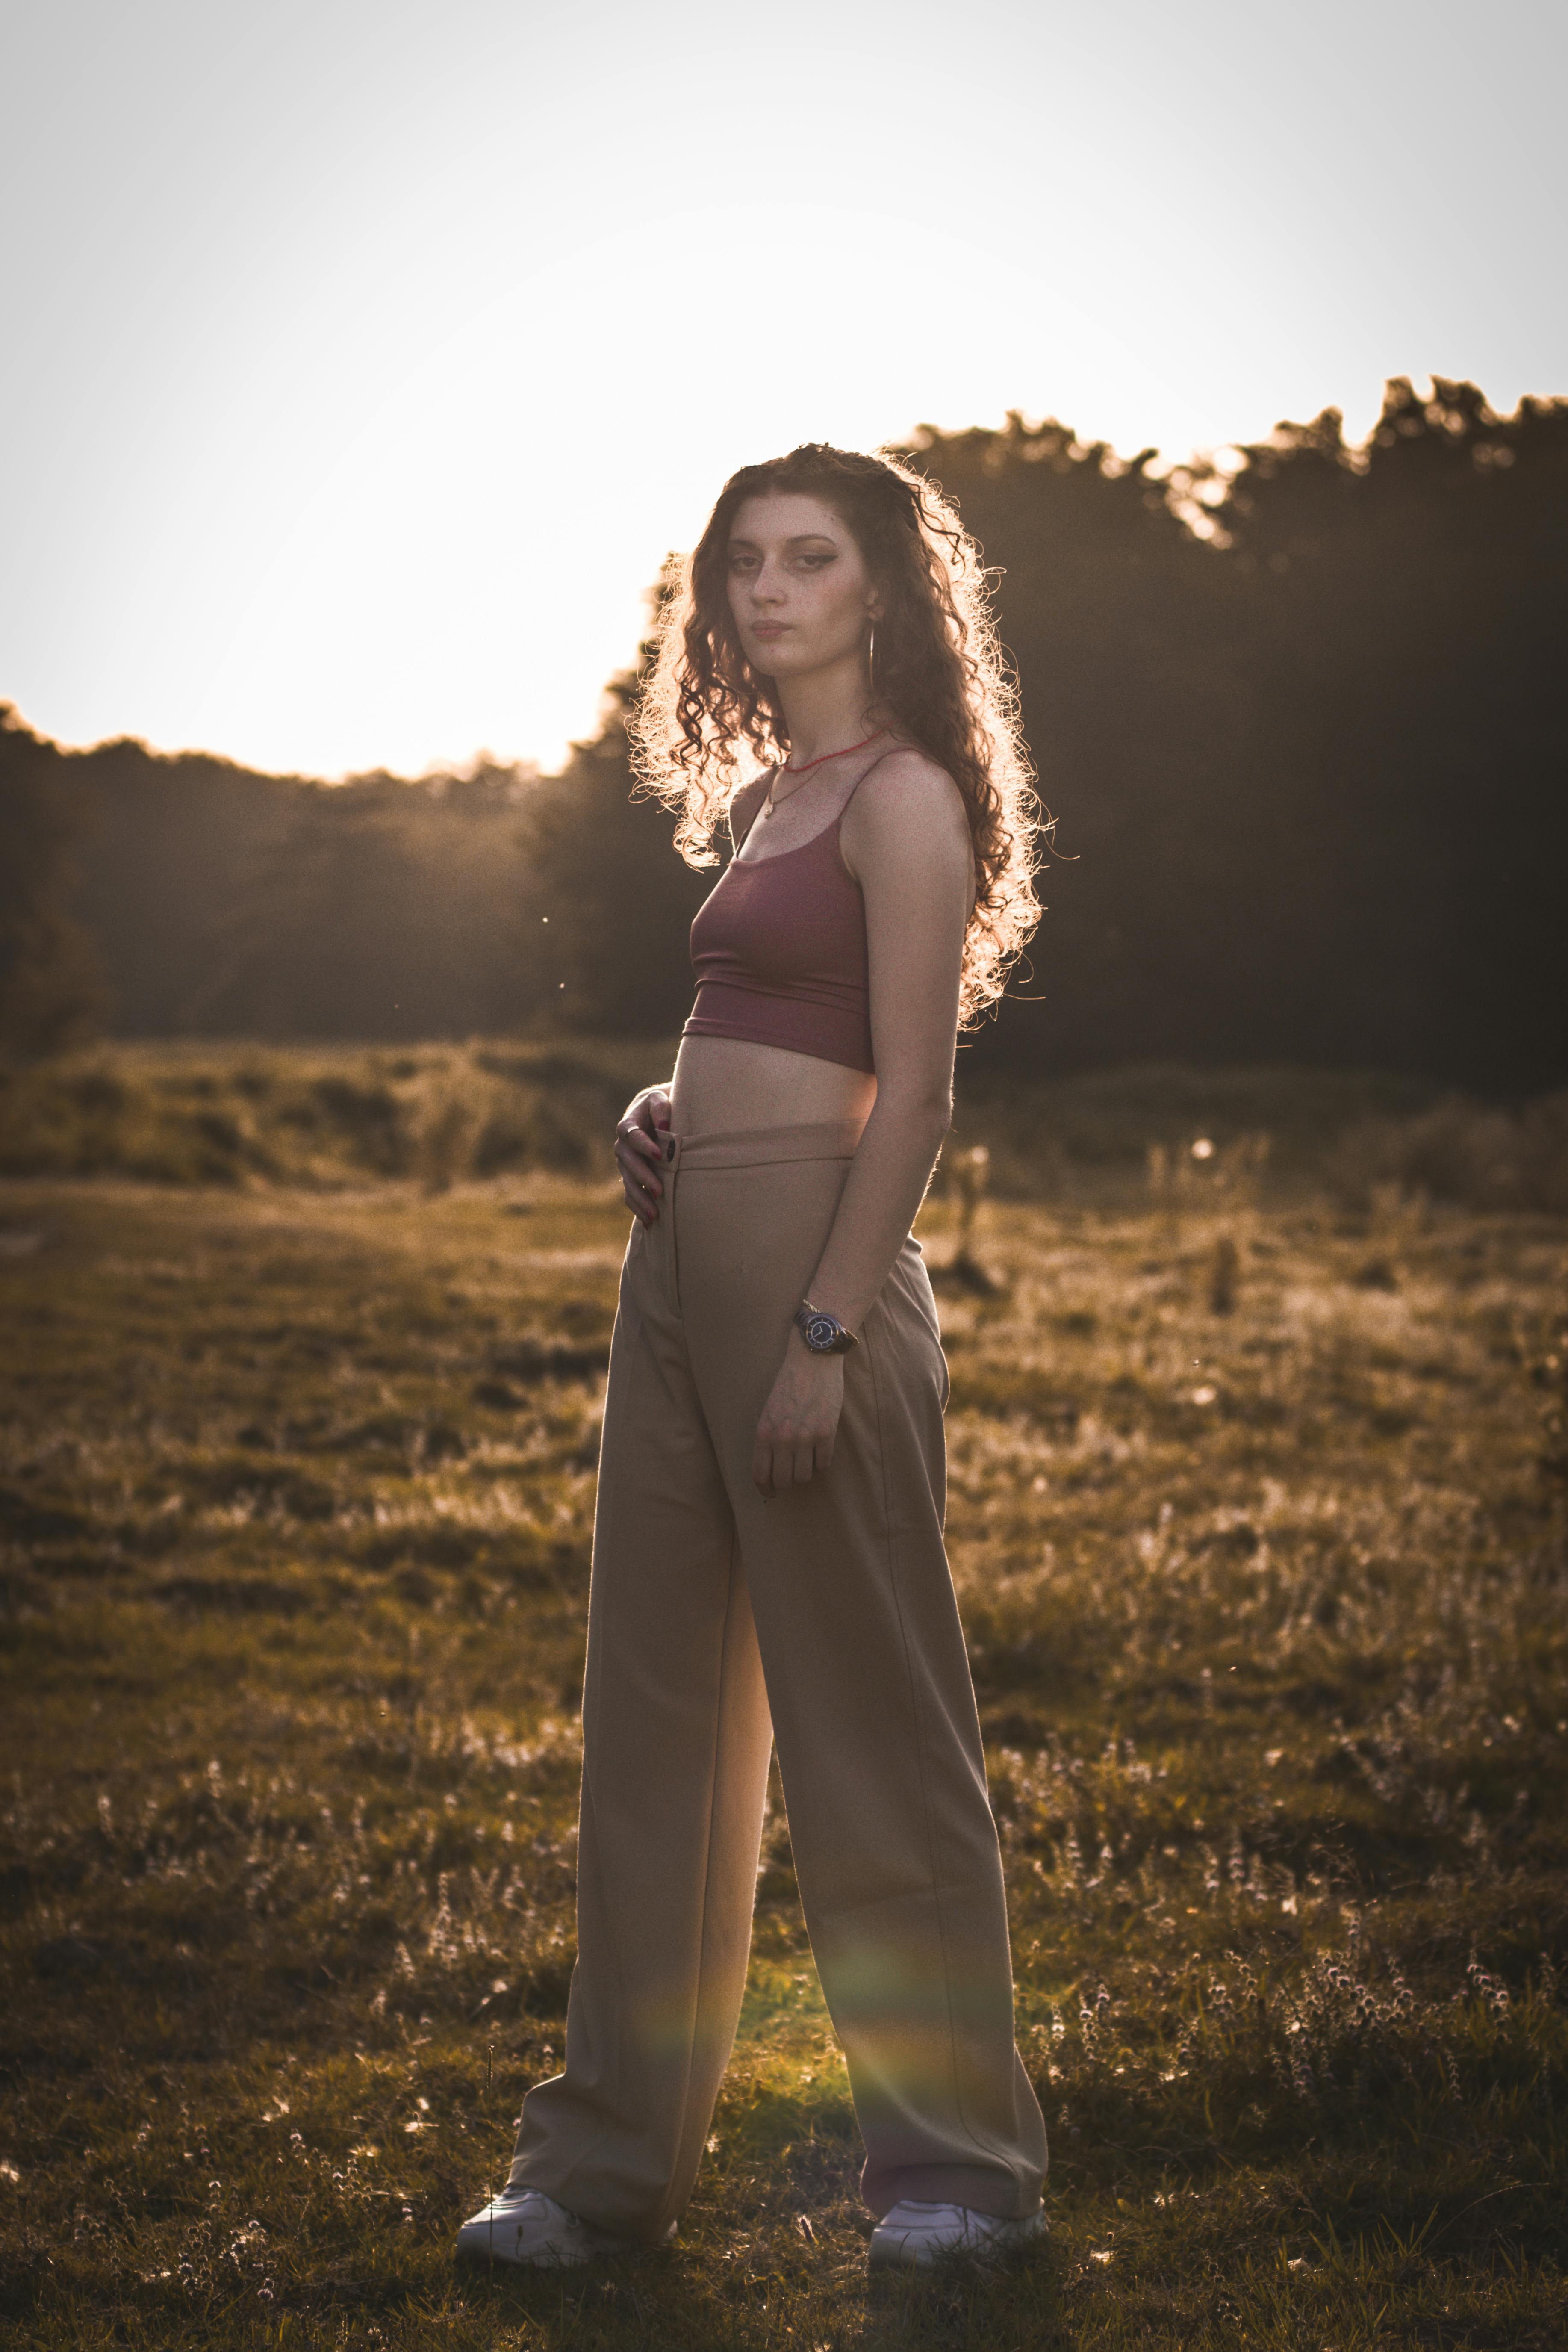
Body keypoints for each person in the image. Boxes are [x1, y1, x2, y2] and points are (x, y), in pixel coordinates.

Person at [457, 443, 1049, 2272]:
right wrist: (666, 1108)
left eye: (805, 559)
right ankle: (597, 2165)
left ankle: (954, 2170)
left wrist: (823, 1326)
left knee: (871, 1716)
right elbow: (750, 1025)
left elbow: (917, 1085)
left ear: (882, 586)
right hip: (675, 1253)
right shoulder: (770, 794)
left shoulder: (902, 796)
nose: (765, 591)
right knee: (653, 1725)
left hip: (812, 1274)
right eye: (740, 565)